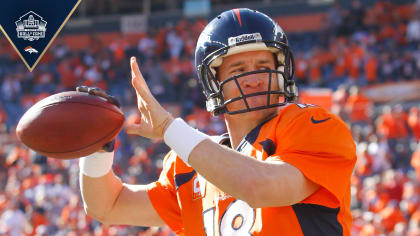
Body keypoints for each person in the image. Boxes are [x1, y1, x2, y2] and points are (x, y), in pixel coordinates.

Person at [79, 8, 357, 235]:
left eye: (263, 66)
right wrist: (96, 145)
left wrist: (168, 129)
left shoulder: (311, 124)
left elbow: (259, 187)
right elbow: (107, 205)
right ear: (215, 84)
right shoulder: (190, 166)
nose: (255, 78)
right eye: (239, 70)